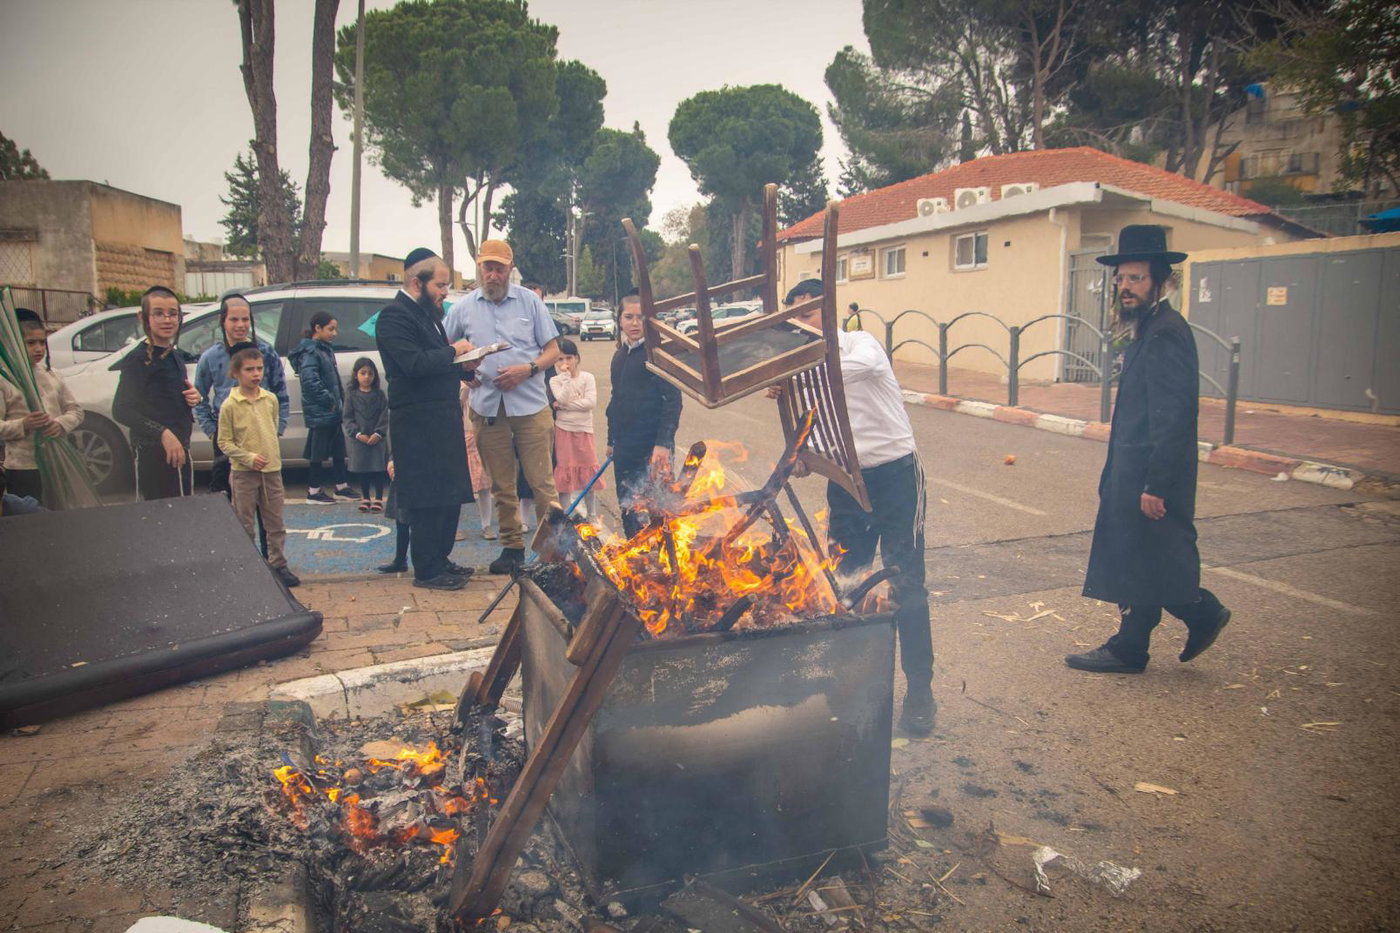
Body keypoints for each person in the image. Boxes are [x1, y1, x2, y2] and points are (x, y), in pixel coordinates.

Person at [1066, 225, 1231, 674]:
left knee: (1155, 554)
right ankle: (1131, 646)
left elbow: (1173, 415)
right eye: (1121, 279)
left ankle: (1200, 611)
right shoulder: (1147, 327)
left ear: (1162, 280)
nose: (1125, 288)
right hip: (1133, 469)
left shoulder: (1165, 332)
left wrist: (1156, 484)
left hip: (1149, 474)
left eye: (1135, 279)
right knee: (1135, 555)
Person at [776, 278, 934, 736]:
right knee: (846, 585)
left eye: (809, 313)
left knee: (908, 585)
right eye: (795, 316)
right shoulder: (800, 370)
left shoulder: (861, 345)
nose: (802, 324)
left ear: (829, 312)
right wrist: (804, 454)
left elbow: (842, 373)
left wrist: (787, 370)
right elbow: (814, 423)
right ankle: (849, 689)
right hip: (846, 481)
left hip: (896, 476)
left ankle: (920, 692)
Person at [443, 239, 560, 576]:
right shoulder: (462, 308)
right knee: (501, 483)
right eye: (487, 267)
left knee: (541, 482)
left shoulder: (530, 303)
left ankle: (551, 554)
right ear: (479, 268)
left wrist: (529, 369)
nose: (493, 274)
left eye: (499, 268)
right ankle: (512, 548)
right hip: (487, 405)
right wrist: (463, 372)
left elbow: (552, 349)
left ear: (511, 269)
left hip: (531, 404)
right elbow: (446, 350)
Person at [375, 247, 476, 590]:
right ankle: (427, 570)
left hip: (442, 418)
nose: (445, 293)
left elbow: (437, 363)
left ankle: (441, 558)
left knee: (448, 495)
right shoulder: (394, 316)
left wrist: (466, 367)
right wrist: (454, 351)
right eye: (440, 286)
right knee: (427, 498)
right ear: (417, 282)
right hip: (417, 425)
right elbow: (413, 364)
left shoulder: (429, 314)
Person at [217, 346, 298, 588]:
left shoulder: (269, 399)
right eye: (249, 370)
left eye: (259, 369)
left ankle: (278, 564)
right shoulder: (230, 405)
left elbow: (272, 428)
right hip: (244, 473)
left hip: (271, 470)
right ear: (236, 373)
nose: (256, 374)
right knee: (244, 522)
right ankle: (248, 566)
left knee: (275, 522)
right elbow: (224, 442)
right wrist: (247, 457)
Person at [193, 292, 289, 495]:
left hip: (262, 432)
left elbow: (281, 392)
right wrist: (211, 430)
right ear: (223, 321)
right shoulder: (211, 357)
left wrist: (277, 429)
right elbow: (198, 397)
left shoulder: (266, 353)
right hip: (227, 436)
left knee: (265, 497)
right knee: (225, 494)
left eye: (245, 319)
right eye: (234, 319)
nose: (240, 325)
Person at [112, 286, 200, 500]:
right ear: (143, 317)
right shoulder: (137, 359)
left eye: (172, 314)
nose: (167, 320)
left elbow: (169, 397)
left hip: (180, 449)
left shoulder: (175, 356)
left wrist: (194, 397)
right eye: (159, 313)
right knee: (163, 522)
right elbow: (121, 409)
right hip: (154, 454)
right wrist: (163, 433)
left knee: (183, 517)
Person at [605, 295, 681, 538]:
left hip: (653, 449)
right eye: (629, 317)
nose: (635, 323)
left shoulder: (657, 355)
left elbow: (673, 402)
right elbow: (615, 401)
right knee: (628, 506)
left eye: (641, 318)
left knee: (659, 510)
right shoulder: (619, 356)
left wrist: (663, 444)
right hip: (625, 448)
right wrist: (611, 439)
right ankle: (635, 562)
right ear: (619, 321)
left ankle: (664, 566)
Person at [0, 309, 83, 505]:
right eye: (30, 343)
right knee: (30, 523)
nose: (38, 349)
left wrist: (61, 424)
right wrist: (24, 424)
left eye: (42, 343)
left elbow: (76, 410)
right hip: (23, 467)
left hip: (57, 462)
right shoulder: (6, 381)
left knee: (59, 518)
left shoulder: (52, 375)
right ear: (15, 344)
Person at [288, 311, 352, 504]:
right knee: (318, 452)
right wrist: (331, 401)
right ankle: (313, 490)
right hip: (322, 411)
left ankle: (341, 486)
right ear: (318, 328)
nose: (334, 333)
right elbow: (311, 382)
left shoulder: (324, 349)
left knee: (338, 449)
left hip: (332, 410)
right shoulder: (311, 352)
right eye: (330, 329)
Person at [550, 337, 603, 519]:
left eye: (569, 358)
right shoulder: (555, 381)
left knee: (588, 470)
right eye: (560, 359)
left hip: (584, 429)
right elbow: (562, 398)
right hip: (563, 429)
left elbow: (590, 403)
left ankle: (592, 514)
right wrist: (565, 379)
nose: (565, 363)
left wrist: (563, 406)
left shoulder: (587, 377)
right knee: (565, 471)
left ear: (577, 358)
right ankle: (565, 515)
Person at [343, 357, 389, 512]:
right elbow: (347, 418)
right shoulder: (351, 396)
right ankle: (365, 497)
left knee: (378, 469)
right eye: (363, 373)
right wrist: (356, 433)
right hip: (360, 440)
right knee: (363, 470)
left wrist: (378, 433)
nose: (367, 377)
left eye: (370, 373)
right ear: (356, 375)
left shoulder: (380, 395)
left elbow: (384, 415)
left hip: (377, 440)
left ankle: (378, 498)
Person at [460, 381, 496, 539]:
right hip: (460, 435)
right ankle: (454, 527)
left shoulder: (482, 379)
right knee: (458, 485)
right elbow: (459, 402)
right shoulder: (457, 381)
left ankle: (486, 525)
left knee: (484, 485)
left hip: (480, 433)